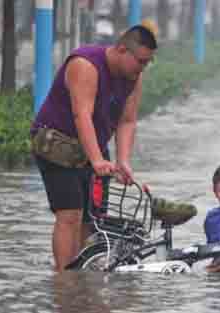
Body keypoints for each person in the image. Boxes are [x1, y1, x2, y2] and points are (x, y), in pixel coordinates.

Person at [30, 23, 158, 271]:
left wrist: (123, 161)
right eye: (141, 61)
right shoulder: (85, 64)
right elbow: (82, 116)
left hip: (93, 145)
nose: (143, 68)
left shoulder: (133, 78)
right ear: (122, 49)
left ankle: (81, 274)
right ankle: (64, 280)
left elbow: (127, 120)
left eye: (148, 62)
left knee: (92, 219)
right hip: (57, 143)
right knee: (70, 215)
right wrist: (97, 160)